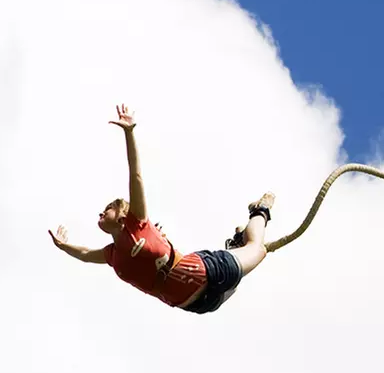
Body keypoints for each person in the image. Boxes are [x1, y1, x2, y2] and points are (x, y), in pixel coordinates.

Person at [48, 104, 274, 313]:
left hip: (209, 271)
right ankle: (236, 244)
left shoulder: (137, 223)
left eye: (107, 209)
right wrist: (63, 245)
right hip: (200, 304)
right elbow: (86, 255)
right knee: (242, 265)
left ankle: (259, 210)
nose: (100, 213)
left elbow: (135, 174)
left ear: (121, 216)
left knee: (259, 249)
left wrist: (129, 133)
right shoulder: (112, 255)